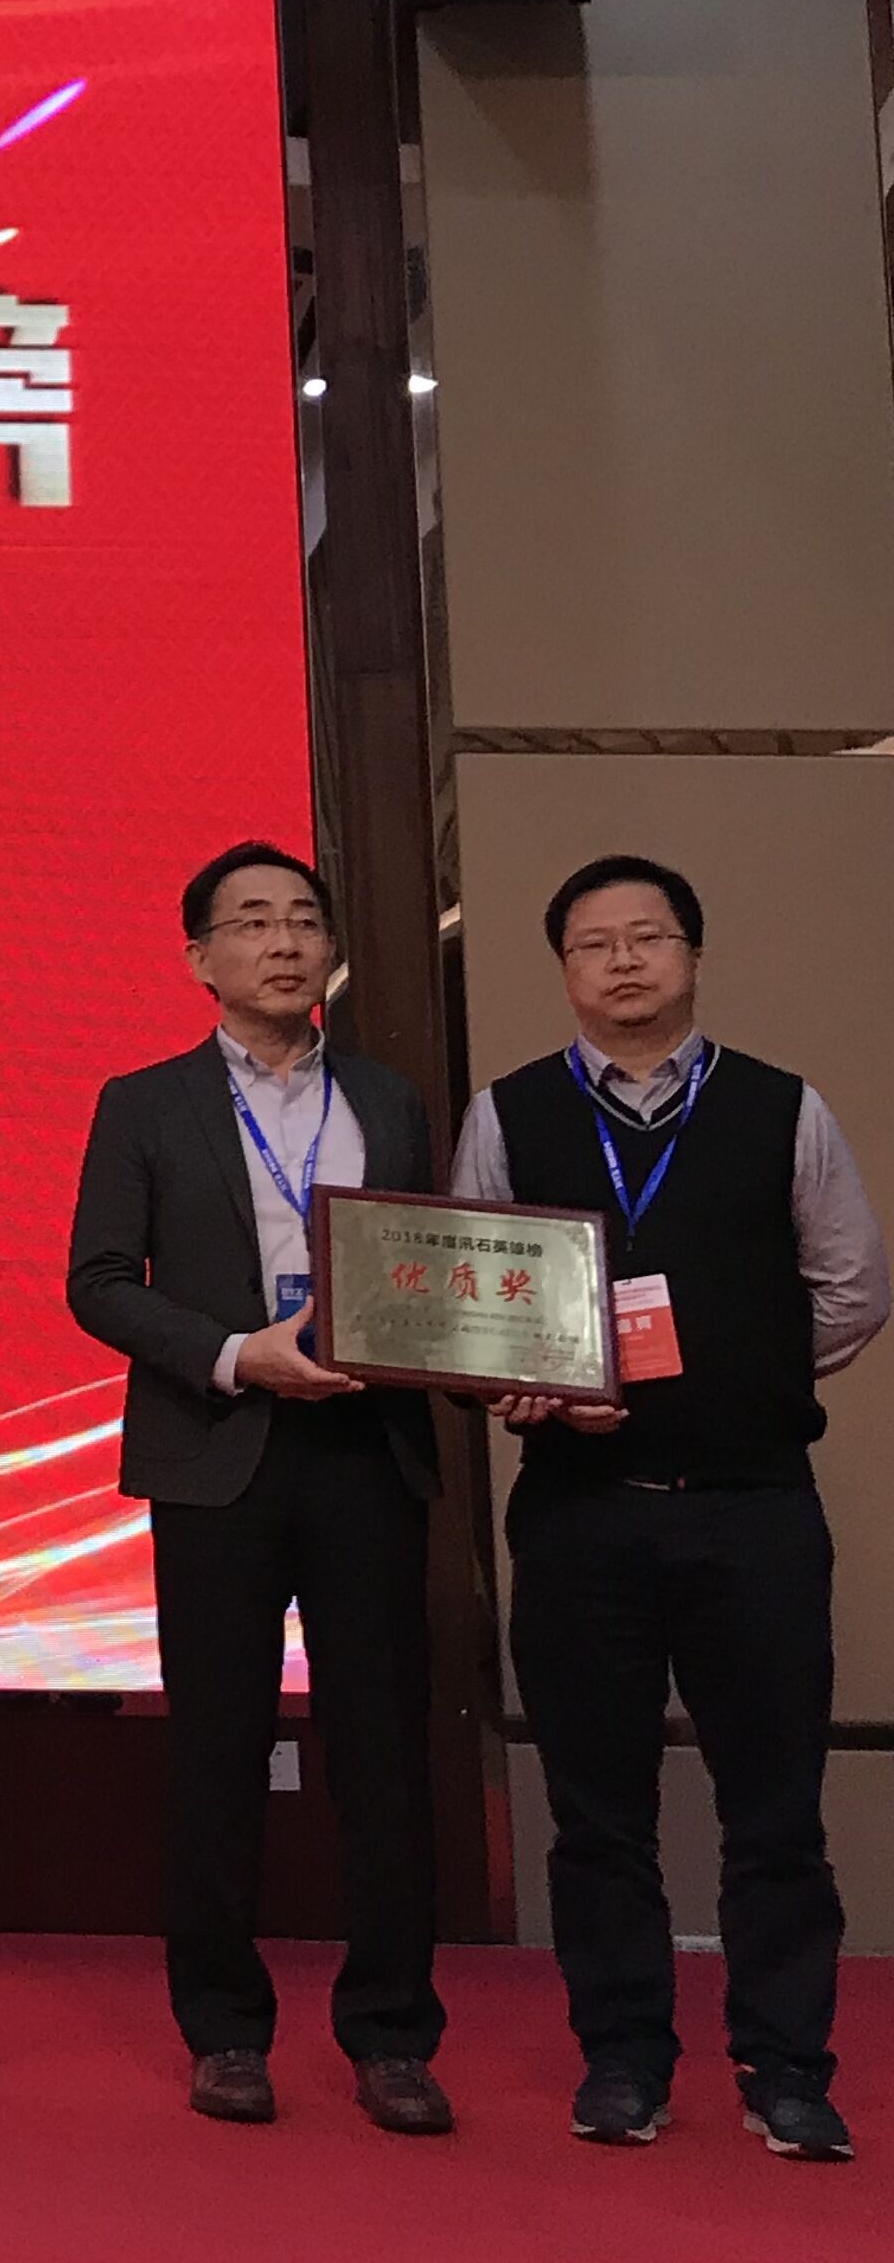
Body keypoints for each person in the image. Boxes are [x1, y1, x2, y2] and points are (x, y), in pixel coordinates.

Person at [453, 854, 885, 2159]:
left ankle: (787, 2068)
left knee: (776, 1811)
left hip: (754, 1510)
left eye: (649, 937)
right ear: (566, 972)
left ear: (693, 956)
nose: (625, 961)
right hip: (581, 1515)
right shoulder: (508, 1113)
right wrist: (531, 1386)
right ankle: (625, 2060)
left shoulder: (782, 1107)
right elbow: (471, 1297)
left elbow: (853, 1288)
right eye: (595, 944)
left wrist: (741, 1381)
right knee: (597, 1814)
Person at [64, 842, 451, 2135]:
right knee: (217, 1753)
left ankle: (392, 2034)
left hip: (366, 1448)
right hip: (217, 1449)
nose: (283, 942)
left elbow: (432, 1264)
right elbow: (99, 1282)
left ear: (330, 948)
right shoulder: (144, 1102)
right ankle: (225, 2030)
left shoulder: (389, 1099)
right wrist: (238, 1354)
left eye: (302, 920)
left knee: (384, 1754)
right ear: (200, 958)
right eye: (251, 923)